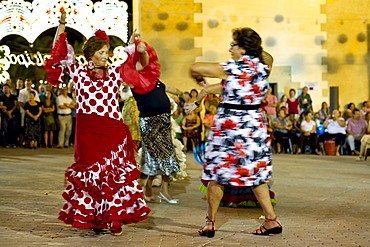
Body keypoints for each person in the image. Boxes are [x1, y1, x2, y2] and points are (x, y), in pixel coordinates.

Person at [44, 11, 150, 235]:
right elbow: (57, 51)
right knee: (90, 176)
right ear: (91, 55)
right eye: (102, 52)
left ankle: (115, 219)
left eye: (107, 52)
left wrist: (135, 44)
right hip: (88, 132)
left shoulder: (115, 73)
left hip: (112, 131)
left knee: (113, 175)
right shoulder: (78, 72)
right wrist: (62, 25)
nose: (106, 56)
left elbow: (137, 64)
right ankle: (95, 217)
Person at [188, 27, 282, 237]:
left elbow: (196, 67)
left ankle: (210, 223)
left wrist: (199, 80)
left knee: (217, 174)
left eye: (233, 45)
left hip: (231, 127)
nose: (230, 49)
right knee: (256, 175)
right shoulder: (263, 67)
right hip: (254, 125)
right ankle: (271, 220)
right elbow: (265, 58)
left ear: (242, 49)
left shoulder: (234, 67)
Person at [119, 30, 182, 204]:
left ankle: (164, 192)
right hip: (149, 121)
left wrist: (183, 95)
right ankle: (143, 191)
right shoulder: (134, 78)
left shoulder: (156, 80)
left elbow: (172, 89)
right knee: (151, 158)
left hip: (163, 120)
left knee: (168, 156)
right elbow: (139, 62)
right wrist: (136, 48)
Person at [0, 83, 18, 148]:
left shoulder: (13, 97)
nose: (6, 89)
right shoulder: (1, 97)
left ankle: (13, 143)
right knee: (6, 129)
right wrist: (7, 113)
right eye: (4, 88)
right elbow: (1, 106)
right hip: (5, 115)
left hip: (13, 114)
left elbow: (15, 105)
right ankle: (6, 143)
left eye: (7, 88)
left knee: (13, 128)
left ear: (9, 89)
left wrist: (10, 112)